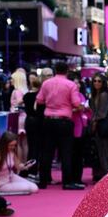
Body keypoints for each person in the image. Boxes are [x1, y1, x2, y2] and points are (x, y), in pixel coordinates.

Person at [36, 60, 83, 190]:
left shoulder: (46, 83)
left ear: (55, 70)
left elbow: (39, 100)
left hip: (49, 120)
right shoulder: (71, 85)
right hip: (64, 121)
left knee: (46, 152)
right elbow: (76, 103)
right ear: (67, 71)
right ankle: (67, 182)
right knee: (66, 152)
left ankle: (43, 181)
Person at [89, 73, 108, 180]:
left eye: (99, 81)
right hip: (98, 126)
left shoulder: (103, 94)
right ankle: (105, 175)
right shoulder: (95, 94)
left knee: (105, 152)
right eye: (95, 81)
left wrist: (94, 122)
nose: (97, 83)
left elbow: (102, 112)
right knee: (100, 151)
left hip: (103, 126)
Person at [23, 72, 44, 175]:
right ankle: (34, 170)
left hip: (29, 122)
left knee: (31, 147)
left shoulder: (26, 96)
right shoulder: (41, 97)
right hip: (38, 122)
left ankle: (29, 169)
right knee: (38, 147)